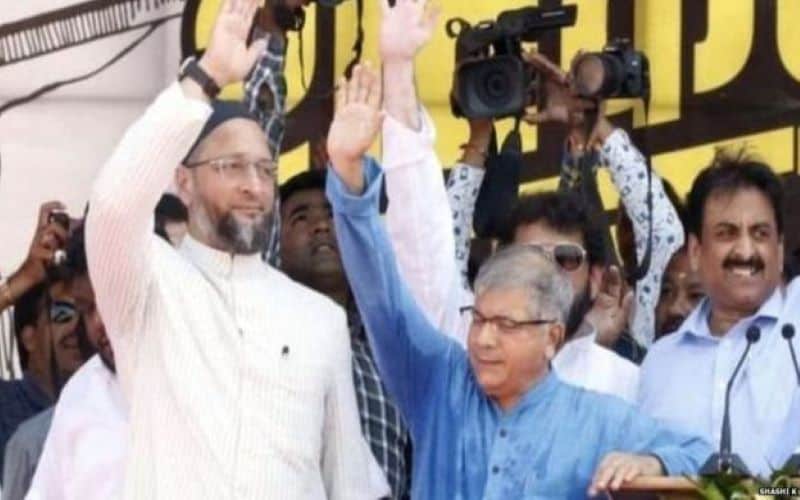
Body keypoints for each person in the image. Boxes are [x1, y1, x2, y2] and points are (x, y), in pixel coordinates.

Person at [323, 58, 711, 499]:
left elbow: (714, 466)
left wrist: (654, 461)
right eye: (479, 319)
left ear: (552, 336)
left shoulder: (598, 419)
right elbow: (383, 298)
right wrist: (350, 175)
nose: (484, 339)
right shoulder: (439, 382)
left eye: (507, 325)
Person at [85, 1, 381, 498]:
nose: (254, 186)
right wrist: (205, 79)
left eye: (265, 170)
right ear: (183, 182)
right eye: (231, 167)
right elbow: (114, 204)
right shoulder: (150, 287)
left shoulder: (320, 320)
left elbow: (348, 484)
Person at [375, 0, 667, 402]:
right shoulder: (469, 351)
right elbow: (425, 246)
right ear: (498, 263)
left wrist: (596, 127)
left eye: (566, 258)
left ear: (598, 278)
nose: (545, 272)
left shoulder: (625, 383)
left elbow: (664, 238)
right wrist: (403, 73)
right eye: (529, 255)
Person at [638, 149, 800, 476]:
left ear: (780, 249)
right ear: (696, 251)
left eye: (760, 234)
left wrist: (769, 495)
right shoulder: (660, 362)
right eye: (727, 233)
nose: (745, 251)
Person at [279, 169, 411, 499]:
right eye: (300, 218)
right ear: (275, 242)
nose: (321, 226)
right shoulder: (262, 341)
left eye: (333, 214)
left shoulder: (389, 349)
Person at [25, 224, 126, 500]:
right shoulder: (82, 394)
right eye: (86, 308)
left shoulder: (201, 369)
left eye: (108, 301)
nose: (98, 322)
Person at [1, 225, 96, 500]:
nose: (77, 327)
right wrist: (21, 281)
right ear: (29, 337)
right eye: (62, 315)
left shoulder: (106, 402)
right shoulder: (5, 405)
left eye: (85, 311)